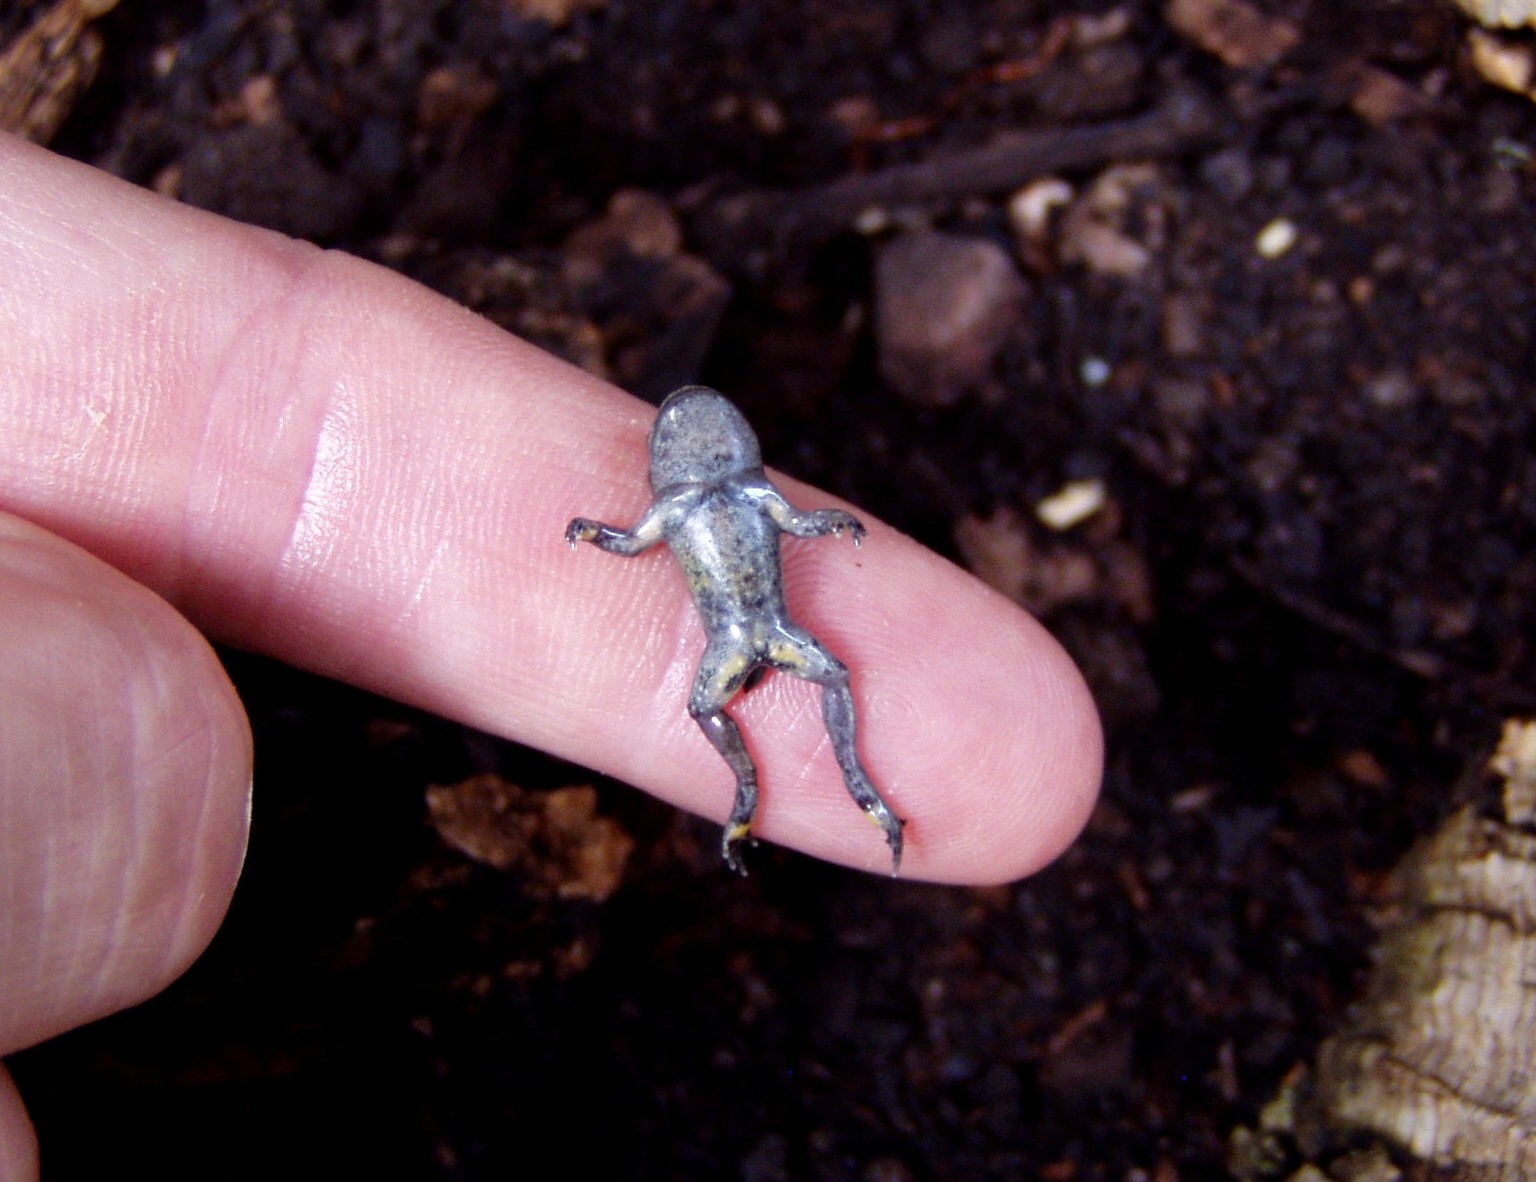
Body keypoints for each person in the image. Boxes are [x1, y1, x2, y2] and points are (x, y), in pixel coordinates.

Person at [0, 130, 1103, 1180]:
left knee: (835, 680)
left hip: (760, 621)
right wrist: (604, 535)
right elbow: (630, 539)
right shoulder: (681, 515)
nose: (703, 450)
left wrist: (820, 528)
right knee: (710, 717)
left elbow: (787, 524)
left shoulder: (751, 493)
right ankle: (746, 791)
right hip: (727, 633)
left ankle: (857, 783)